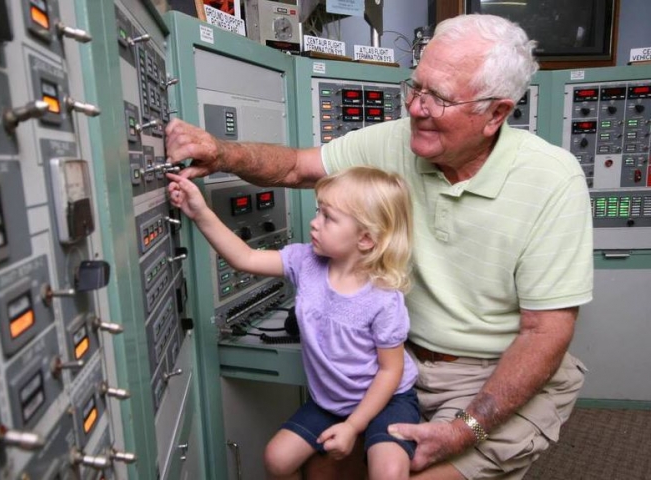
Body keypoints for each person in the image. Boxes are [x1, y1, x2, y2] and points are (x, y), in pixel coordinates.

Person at [164, 13, 593, 480]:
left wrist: (465, 428)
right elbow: (295, 169)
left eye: (441, 98)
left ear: (496, 113)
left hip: (494, 374)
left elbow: (544, 334)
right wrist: (222, 152)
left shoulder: (553, 180)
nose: (416, 108)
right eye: (417, 88)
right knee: (321, 471)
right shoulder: (397, 141)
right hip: (401, 362)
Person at [166, 166, 421, 480]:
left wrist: (354, 427)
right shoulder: (306, 262)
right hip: (331, 401)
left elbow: (390, 371)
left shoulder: (383, 298)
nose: (314, 223)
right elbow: (244, 258)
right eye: (319, 212)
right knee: (276, 460)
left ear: (366, 239)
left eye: (328, 217)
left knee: (390, 473)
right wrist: (200, 211)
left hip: (387, 400)